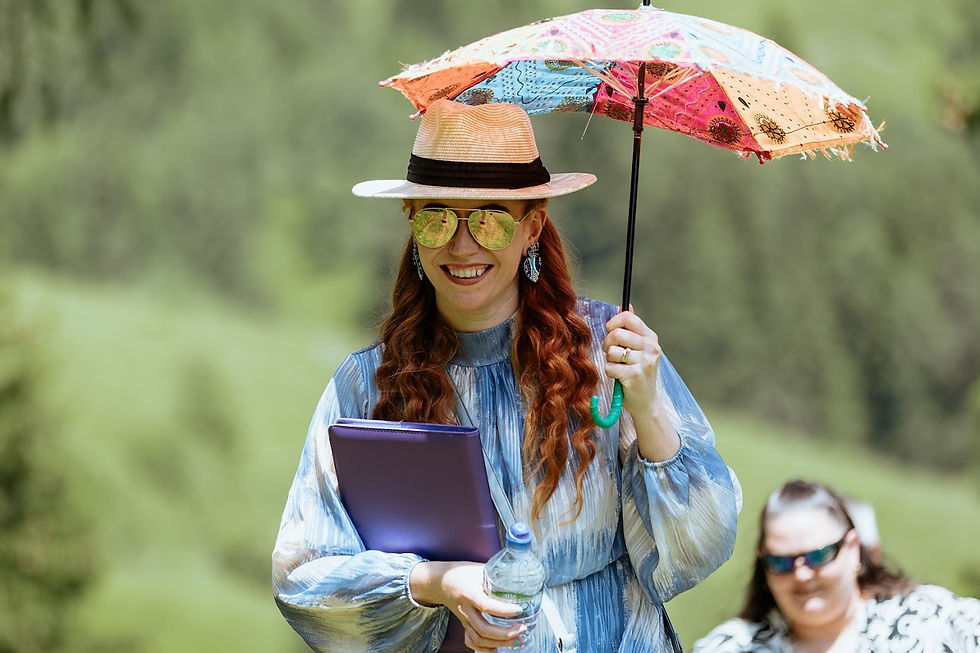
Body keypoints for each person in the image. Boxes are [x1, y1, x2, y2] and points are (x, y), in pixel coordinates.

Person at [272, 99, 741, 653]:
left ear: (532, 228)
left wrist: (647, 402)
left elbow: (701, 547)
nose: (462, 244)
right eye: (437, 216)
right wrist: (432, 583)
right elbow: (303, 579)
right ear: (413, 227)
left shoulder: (607, 349)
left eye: (491, 220)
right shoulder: (364, 384)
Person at [693, 479, 980, 652]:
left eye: (818, 556)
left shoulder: (930, 621)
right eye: (781, 562)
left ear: (853, 549)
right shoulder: (734, 647)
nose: (802, 574)